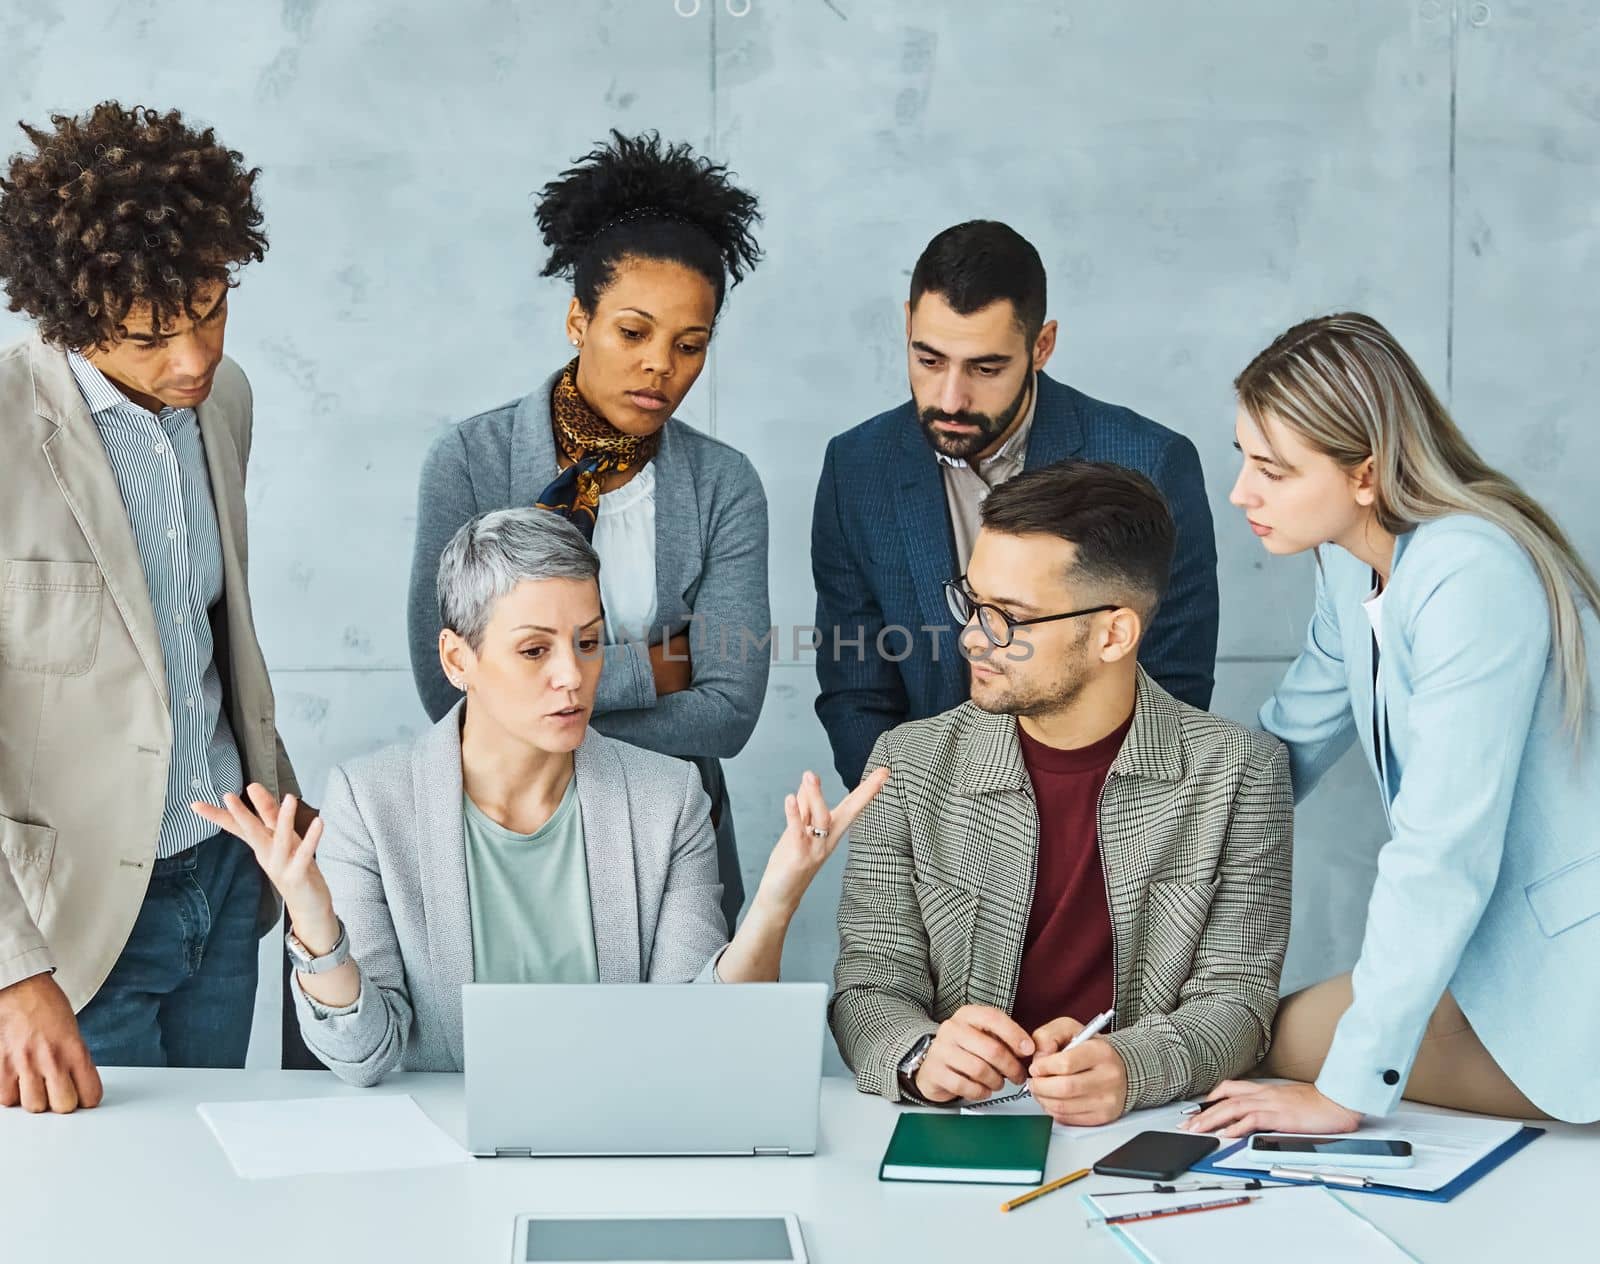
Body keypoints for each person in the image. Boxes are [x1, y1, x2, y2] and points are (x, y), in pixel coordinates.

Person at [201, 509, 885, 1086]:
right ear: (455, 660)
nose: (574, 677)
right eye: (534, 650)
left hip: (620, 1148)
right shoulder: (371, 803)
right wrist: (317, 923)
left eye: (588, 643)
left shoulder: (668, 798)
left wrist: (776, 899)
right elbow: (364, 1059)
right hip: (441, 1169)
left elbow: (698, 1039)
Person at [1182, 313, 1600, 1138]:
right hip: (1482, 953)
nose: (1240, 493)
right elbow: (1284, 743)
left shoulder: (1470, 575)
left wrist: (1344, 1096)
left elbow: (1442, 850)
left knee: (1258, 1045)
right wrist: (1127, 841)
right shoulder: (1350, 560)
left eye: (1273, 469)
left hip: (1566, 971)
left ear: (1365, 474)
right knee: (1241, 1037)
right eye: (1243, 459)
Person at [0, 102, 307, 1112]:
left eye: (212, 309)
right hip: (75, 920)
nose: (192, 359)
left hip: (223, 881)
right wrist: (11, 971)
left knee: (211, 1191)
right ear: (64, 316)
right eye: (147, 337)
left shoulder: (227, 403)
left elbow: (210, 638)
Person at [830, 460, 1290, 1124]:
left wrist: (1133, 1067)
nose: (971, 638)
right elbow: (870, 985)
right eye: (973, 603)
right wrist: (919, 1054)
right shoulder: (909, 762)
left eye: (1009, 618)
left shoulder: (1239, 771)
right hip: (959, 1127)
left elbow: (1239, 1004)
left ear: (1114, 633)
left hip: (1142, 1126)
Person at [407, 131, 769, 935]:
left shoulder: (724, 484)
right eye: (632, 333)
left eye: (690, 344)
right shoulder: (470, 461)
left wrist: (534, 681)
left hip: (676, 842)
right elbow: (446, 690)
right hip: (500, 833)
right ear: (580, 319)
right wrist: (668, 664)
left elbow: (731, 709)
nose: (660, 368)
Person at [812, 220, 1220, 789]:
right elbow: (856, 691)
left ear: (1042, 346)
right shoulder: (854, 469)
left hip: (1106, 826)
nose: (951, 398)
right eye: (929, 360)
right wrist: (911, 828)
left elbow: (1175, 685)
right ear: (907, 326)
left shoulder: (1150, 463)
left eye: (986, 368)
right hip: (927, 833)